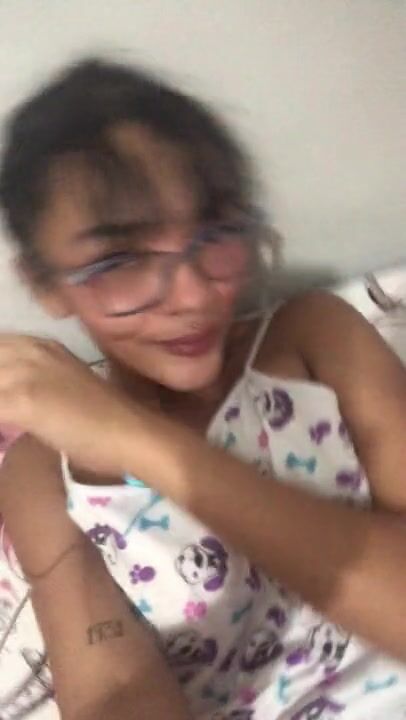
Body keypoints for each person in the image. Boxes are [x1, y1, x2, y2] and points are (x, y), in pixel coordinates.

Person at [0, 58, 405, 720]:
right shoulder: (42, 470)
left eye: (215, 233)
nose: (193, 296)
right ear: (46, 286)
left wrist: (135, 439)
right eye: (120, 261)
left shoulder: (314, 338)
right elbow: (112, 691)